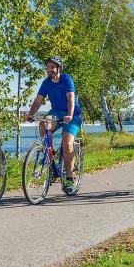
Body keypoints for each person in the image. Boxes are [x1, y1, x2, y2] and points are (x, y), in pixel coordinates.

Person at [26, 57, 83, 195]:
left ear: (58, 68)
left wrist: (69, 114)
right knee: (43, 125)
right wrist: (30, 114)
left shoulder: (66, 79)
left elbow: (70, 97)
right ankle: (49, 154)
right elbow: (38, 100)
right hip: (56, 112)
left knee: (67, 143)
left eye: (52, 67)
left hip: (73, 114)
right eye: (48, 67)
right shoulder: (46, 83)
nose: (49, 69)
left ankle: (69, 177)